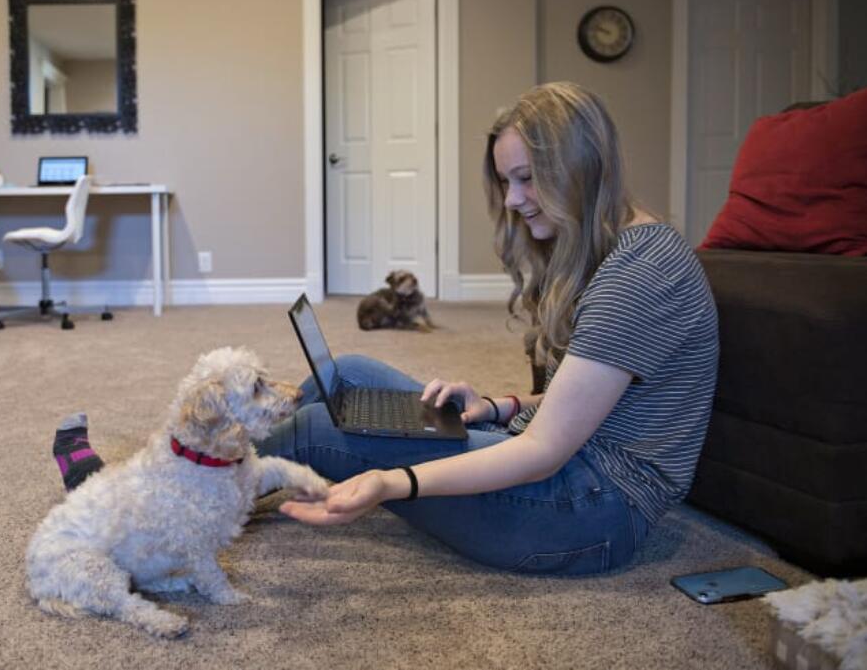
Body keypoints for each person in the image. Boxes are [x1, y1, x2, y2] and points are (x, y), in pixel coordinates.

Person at [261, 81, 720, 575]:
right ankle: (219, 473)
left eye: (526, 178)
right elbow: (589, 399)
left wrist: (394, 482)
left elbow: (543, 453)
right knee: (347, 373)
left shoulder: (641, 272)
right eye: (506, 181)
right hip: (569, 464)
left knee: (315, 430)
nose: (511, 200)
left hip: (592, 508)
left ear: (579, 167)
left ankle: (193, 488)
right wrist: (499, 407)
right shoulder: (615, 249)